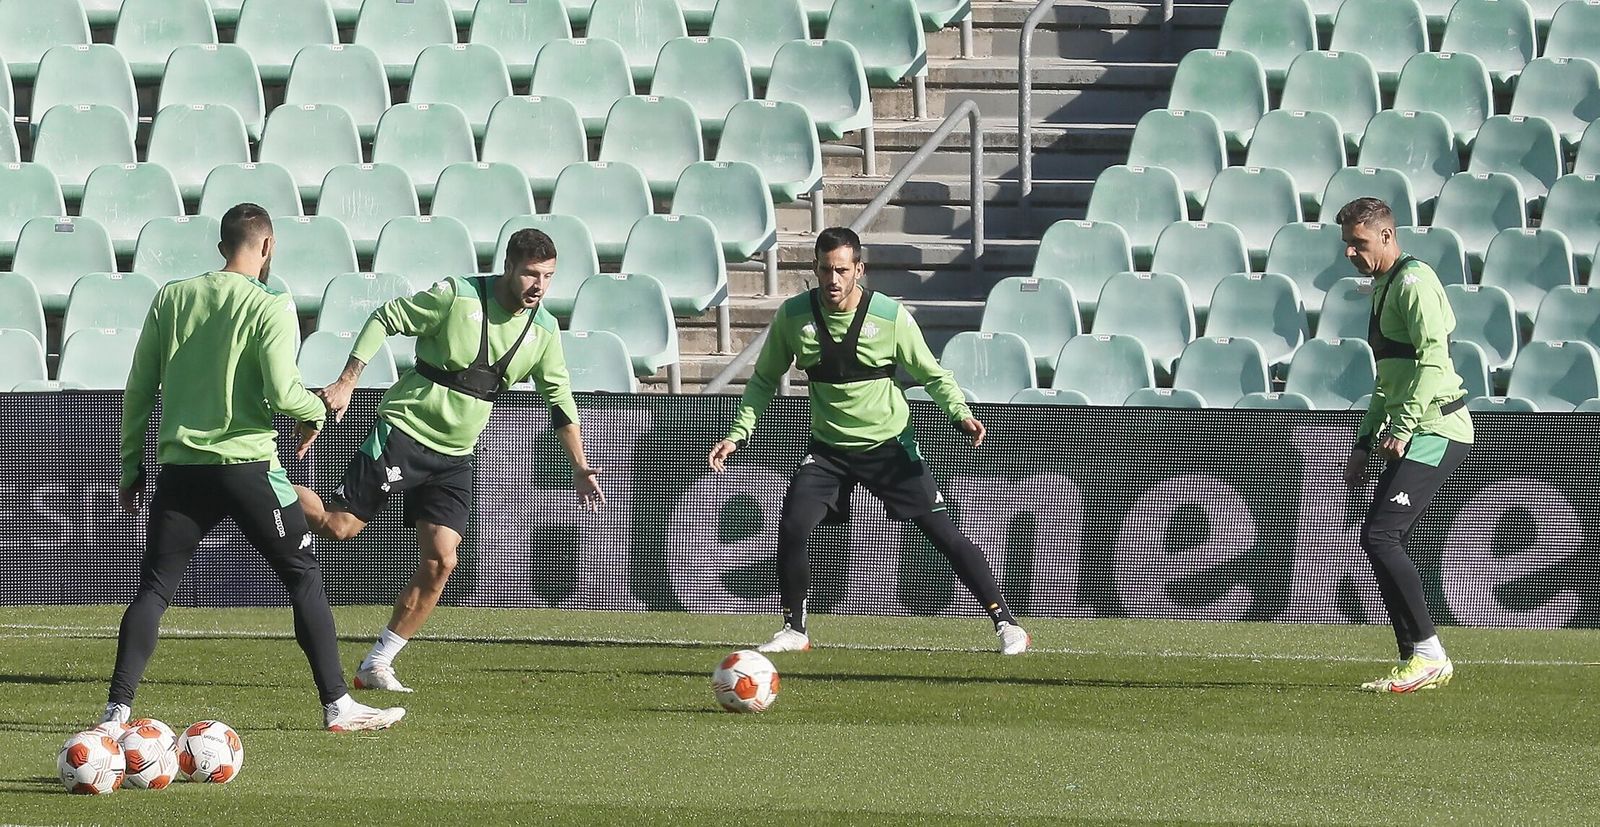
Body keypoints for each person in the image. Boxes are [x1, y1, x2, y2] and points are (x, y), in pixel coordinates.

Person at [111, 203, 405, 732]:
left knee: (154, 589)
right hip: (247, 467)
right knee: (302, 577)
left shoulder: (172, 297)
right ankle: (338, 705)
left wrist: (132, 466)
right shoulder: (271, 302)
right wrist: (320, 409)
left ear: (224, 247)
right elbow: (280, 390)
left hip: (180, 471)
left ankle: (115, 714)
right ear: (267, 246)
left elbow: (138, 389)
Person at [296, 229, 604, 692]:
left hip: (456, 456)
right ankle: (262, 479)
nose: (539, 285)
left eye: (548, 276)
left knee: (443, 560)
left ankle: (377, 663)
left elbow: (559, 399)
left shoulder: (543, 331)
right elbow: (385, 316)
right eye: (530, 274)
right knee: (338, 528)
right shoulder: (456, 297)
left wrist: (581, 466)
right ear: (509, 268)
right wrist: (347, 381)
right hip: (404, 433)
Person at [708, 227, 1030, 655]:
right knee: (792, 525)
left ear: (859, 269)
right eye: (825, 269)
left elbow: (932, 374)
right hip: (828, 451)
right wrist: (738, 433)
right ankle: (795, 629)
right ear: (815, 269)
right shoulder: (793, 316)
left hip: (888, 447)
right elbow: (765, 378)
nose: (833, 280)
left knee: (943, 532)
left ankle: (1006, 623)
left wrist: (960, 413)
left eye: (842, 270)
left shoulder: (890, 317)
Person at [1337, 197, 1473, 694]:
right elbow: (1388, 377)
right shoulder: (1384, 285)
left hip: (1438, 429)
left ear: (1387, 237)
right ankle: (1414, 656)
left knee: (1381, 537)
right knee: (1377, 539)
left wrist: (1406, 423)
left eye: (1360, 243)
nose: (1351, 253)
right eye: (1348, 245)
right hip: (1415, 428)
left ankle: (1429, 653)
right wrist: (1363, 442)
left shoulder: (1414, 282)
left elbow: (1433, 360)